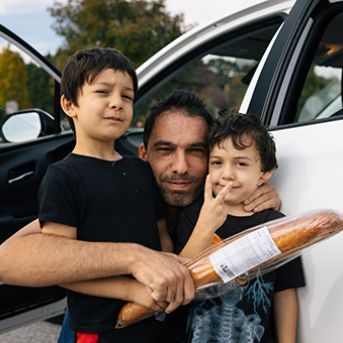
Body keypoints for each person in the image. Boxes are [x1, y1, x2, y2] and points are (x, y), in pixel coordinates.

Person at [0, 90, 281, 341]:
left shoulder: (233, 203)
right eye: (166, 149)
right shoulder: (121, 193)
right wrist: (134, 257)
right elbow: (8, 258)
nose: (180, 167)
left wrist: (254, 197)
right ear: (143, 154)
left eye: (195, 150)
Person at [38, 47, 196, 342]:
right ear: (69, 104)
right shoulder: (62, 177)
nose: (117, 103)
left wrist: (169, 271)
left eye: (126, 96)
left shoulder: (140, 169)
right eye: (103, 92)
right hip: (103, 329)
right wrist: (131, 290)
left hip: (156, 318)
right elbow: (61, 265)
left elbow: (160, 235)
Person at [176, 111, 305, 343]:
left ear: (264, 173)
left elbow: (285, 292)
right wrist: (204, 227)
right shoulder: (191, 218)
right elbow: (180, 279)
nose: (227, 174)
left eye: (241, 163)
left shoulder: (278, 226)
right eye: (217, 163)